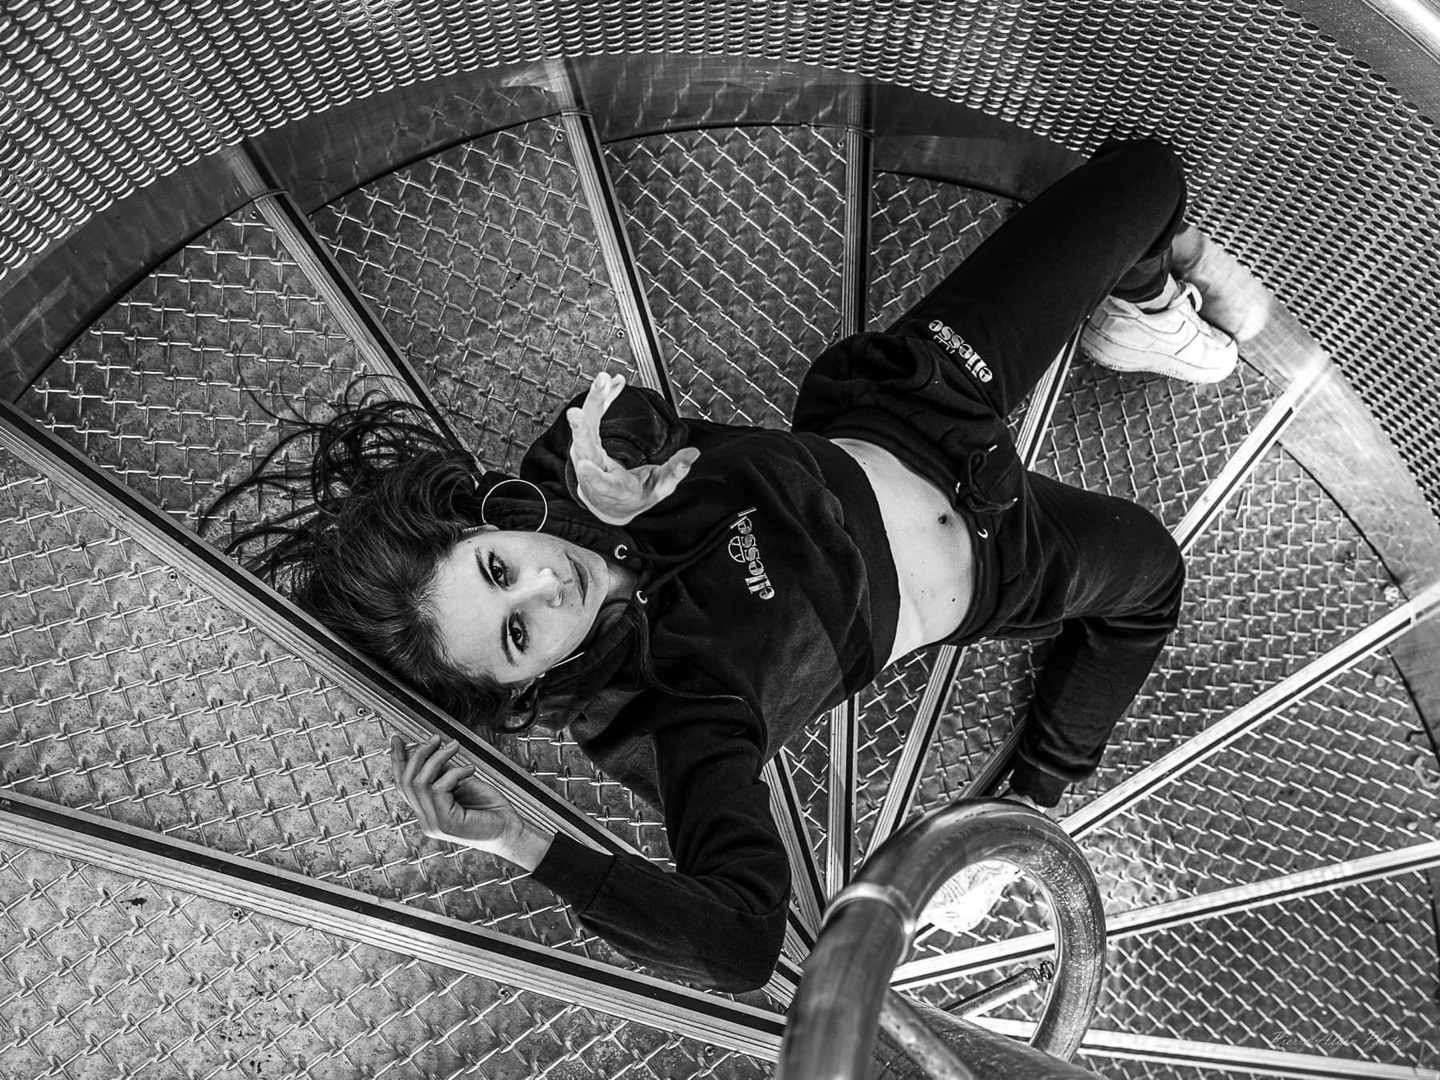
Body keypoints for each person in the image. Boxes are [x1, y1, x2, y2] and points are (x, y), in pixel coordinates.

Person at [214, 139, 1236, 992]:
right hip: (997, 556)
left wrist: (624, 469)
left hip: (913, 408)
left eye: (496, 569)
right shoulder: (667, 721)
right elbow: (741, 944)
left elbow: (617, 409)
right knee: (1152, 576)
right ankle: (1036, 799)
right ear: (523, 687)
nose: (545, 583)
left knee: (1145, 178)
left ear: (482, 529)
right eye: (519, 633)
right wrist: (528, 846)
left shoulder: (560, 486)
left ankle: (1139, 310)